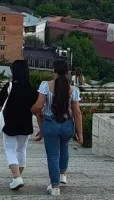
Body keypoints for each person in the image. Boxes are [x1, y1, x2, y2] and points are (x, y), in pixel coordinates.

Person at [32, 59, 83, 196]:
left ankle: (55, 187)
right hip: (67, 126)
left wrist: (30, 110)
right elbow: (77, 113)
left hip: (51, 124)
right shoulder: (73, 90)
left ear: (53, 70)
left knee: (53, 156)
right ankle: (62, 176)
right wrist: (80, 134)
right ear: (67, 72)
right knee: (64, 147)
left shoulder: (45, 86)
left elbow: (38, 106)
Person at [0, 59, 39, 191]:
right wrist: (42, 128)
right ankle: (17, 177)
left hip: (10, 123)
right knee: (21, 150)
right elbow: (37, 110)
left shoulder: (9, 86)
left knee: (9, 149)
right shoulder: (33, 89)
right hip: (26, 123)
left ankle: (16, 178)